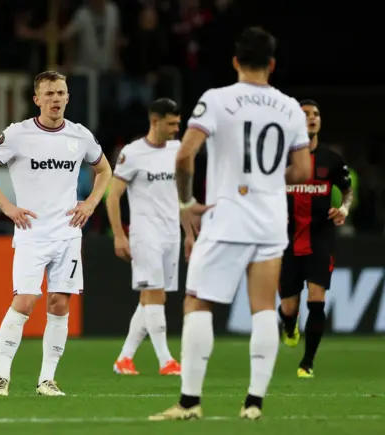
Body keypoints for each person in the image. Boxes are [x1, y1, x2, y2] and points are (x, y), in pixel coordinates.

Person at [149, 27, 312, 421]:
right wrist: (272, 180)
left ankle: (189, 402)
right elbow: (304, 169)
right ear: (272, 65)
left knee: (197, 301)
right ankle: (254, 403)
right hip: (271, 220)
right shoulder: (290, 107)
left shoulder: (218, 100)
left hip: (227, 218)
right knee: (262, 309)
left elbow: (184, 155)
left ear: (235, 61)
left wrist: (187, 204)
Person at [0, 71, 112, 397]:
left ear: (67, 97)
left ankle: (47, 379)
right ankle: (1, 377)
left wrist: (91, 202)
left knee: (60, 303)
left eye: (60, 93)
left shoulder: (80, 136)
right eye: (48, 93)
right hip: (32, 234)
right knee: (24, 301)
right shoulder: (18, 134)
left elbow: (104, 169)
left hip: (68, 233)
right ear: (37, 99)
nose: (55, 99)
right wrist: (7, 207)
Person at [107, 98, 192, 376]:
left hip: (171, 233)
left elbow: (182, 197)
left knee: (149, 299)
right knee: (155, 296)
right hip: (145, 234)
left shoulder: (178, 150)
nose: (177, 128)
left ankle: (124, 359)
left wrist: (189, 234)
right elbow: (113, 196)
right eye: (171, 123)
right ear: (155, 121)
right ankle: (166, 360)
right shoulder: (132, 154)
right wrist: (120, 235)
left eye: (178, 123)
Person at [277, 100, 353, 378]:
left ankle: (307, 363)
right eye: (305, 114)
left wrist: (343, 208)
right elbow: (266, 191)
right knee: (289, 306)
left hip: (320, 237)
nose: (312, 118)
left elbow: (347, 191)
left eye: (316, 114)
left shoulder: (332, 159)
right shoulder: (281, 157)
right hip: (285, 240)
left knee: (316, 299)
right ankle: (288, 323)